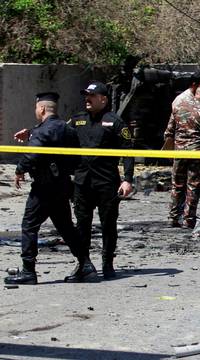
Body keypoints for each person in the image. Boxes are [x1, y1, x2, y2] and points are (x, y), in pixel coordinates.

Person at [4, 93, 93, 285]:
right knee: (66, 227)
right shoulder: (67, 129)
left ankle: (28, 271)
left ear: (42, 109)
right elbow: (75, 157)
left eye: (37, 108)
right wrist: (31, 133)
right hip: (62, 186)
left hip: (44, 188)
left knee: (29, 225)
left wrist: (20, 170)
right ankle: (85, 265)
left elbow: (33, 154)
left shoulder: (43, 131)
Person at [68, 81, 134, 280]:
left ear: (103, 99)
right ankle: (83, 264)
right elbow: (58, 135)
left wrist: (127, 179)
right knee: (82, 224)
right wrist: (33, 132)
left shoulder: (115, 122)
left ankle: (108, 264)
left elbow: (128, 152)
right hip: (82, 182)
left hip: (106, 182)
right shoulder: (77, 119)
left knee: (108, 224)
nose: (87, 99)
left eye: (91, 96)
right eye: (85, 95)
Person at [164, 83, 200, 229]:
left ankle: (173, 217)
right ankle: (188, 219)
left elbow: (168, 131)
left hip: (179, 152)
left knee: (177, 185)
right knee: (193, 186)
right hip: (196, 153)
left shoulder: (178, 106)